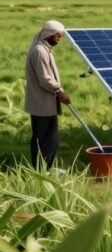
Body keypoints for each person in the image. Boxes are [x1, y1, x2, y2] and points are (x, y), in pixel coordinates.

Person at [24, 20, 71, 169]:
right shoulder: (40, 51)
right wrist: (59, 92)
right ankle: (43, 171)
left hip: (44, 104)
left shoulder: (44, 49)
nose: (59, 39)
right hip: (42, 105)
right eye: (58, 36)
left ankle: (41, 169)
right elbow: (45, 79)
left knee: (44, 138)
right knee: (48, 140)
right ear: (49, 34)